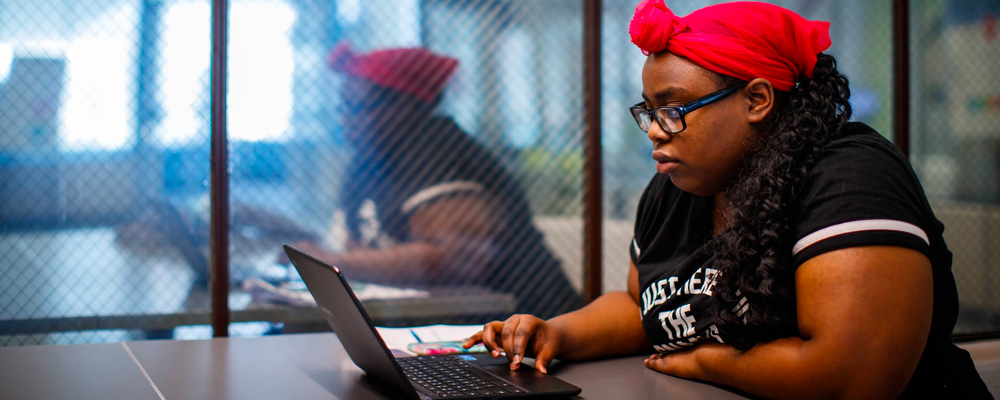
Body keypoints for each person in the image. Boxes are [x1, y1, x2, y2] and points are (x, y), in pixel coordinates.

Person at [463, 1, 992, 398]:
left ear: (757, 100)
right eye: (648, 111)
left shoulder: (849, 174)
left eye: (673, 108)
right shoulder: (678, 184)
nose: (655, 131)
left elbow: (853, 378)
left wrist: (707, 363)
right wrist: (557, 332)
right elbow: (640, 303)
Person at [283, 44, 581, 320]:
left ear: (406, 105)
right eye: (342, 108)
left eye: (358, 107)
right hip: (441, 332)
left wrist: (330, 262)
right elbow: (359, 250)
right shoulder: (366, 160)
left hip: (534, 329)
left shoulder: (438, 149)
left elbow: (455, 259)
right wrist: (330, 260)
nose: (345, 119)